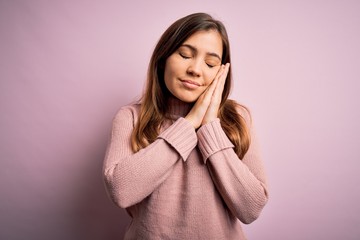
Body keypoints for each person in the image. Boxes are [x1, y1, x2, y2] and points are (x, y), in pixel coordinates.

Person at [103, 12, 269, 240]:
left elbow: (251, 209)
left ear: (221, 72)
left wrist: (210, 126)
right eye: (184, 55)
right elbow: (121, 191)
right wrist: (190, 123)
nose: (196, 69)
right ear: (163, 59)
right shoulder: (130, 117)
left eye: (210, 63)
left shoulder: (239, 118)